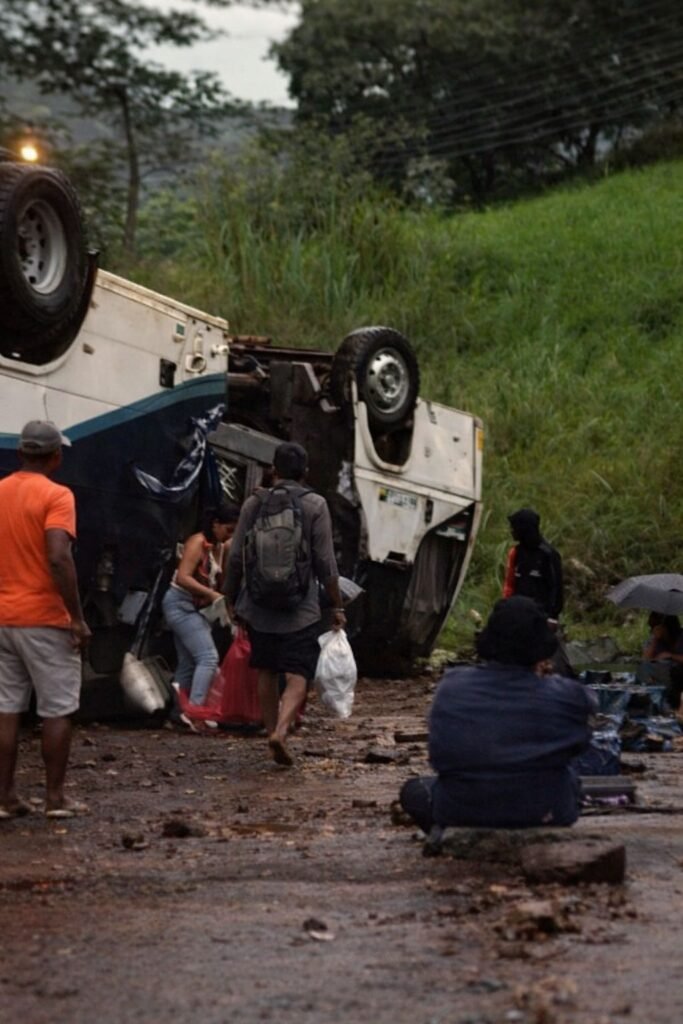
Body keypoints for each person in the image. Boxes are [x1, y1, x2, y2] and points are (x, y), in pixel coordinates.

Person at [399, 596, 594, 834]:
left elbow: (439, 758)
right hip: (545, 810)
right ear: (541, 650)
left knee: (414, 790)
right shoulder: (568, 696)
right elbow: (580, 744)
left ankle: (450, 832)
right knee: (570, 777)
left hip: (461, 809)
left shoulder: (451, 686)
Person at [225, 442, 345, 767]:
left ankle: (269, 732)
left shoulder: (254, 502)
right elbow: (325, 561)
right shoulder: (315, 504)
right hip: (300, 608)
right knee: (298, 673)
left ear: (273, 470)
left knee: (267, 669)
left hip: (259, 603)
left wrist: (230, 595)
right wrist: (336, 604)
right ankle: (281, 729)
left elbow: (236, 555)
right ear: (305, 472)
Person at [0, 420, 91, 819]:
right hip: (45, 618)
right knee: (56, 709)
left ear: (20, 453)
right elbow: (58, 555)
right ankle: (55, 798)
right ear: (56, 457)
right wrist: (76, 617)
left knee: (6, 708)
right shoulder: (58, 495)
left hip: (3, 617)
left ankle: (4, 798)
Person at [162, 503, 239, 726]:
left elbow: (221, 582)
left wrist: (229, 607)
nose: (229, 535)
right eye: (228, 529)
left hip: (197, 608)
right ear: (215, 524)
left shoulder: (219, 547)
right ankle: (195, 711)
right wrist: (212, 595)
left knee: (188, 663)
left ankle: (177, 714)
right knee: (208, 657)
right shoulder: (197, 542)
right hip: (180, 604)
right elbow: (183, 577)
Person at [502, 507, 564, 621]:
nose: (511, 531)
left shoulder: (548, 555)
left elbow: (556, 589)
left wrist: (552, 617)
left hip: (540, 617)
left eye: (514, 527)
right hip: (518, 613)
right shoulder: (516, 553)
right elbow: (510, 584)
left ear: (523, 529)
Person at [642, 612, 683, 712]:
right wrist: (655, 639)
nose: (652, 630)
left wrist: (671, 656)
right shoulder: (655, 639)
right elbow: (645, 660)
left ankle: (674, 707)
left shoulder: (681, 637)